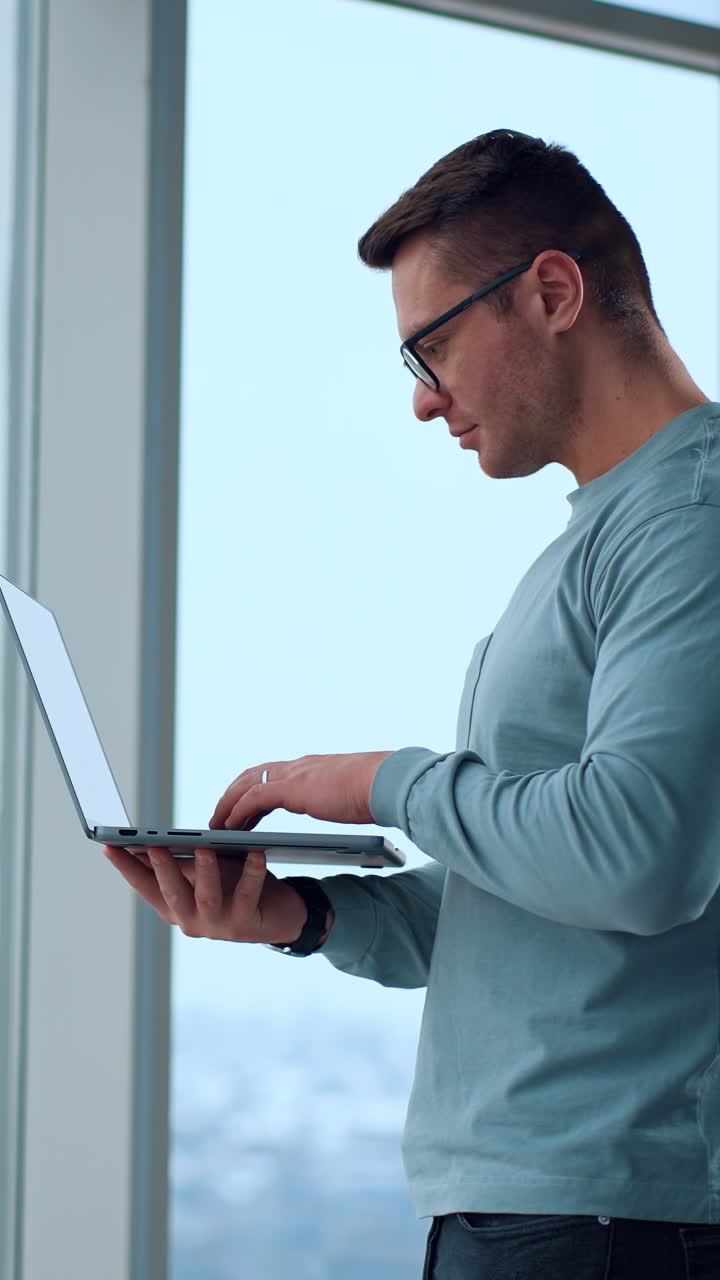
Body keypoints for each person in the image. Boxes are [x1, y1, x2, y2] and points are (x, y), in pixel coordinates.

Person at [105, 129, 720, 1279]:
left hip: (609, 1220)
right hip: (543, 1213)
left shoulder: (693, 520)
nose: (426, 403)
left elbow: (642, 854)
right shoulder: (605, 538)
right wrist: (309, 915)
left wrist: (383, 777)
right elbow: (532, 896)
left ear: (550, 291)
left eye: (431, 347)